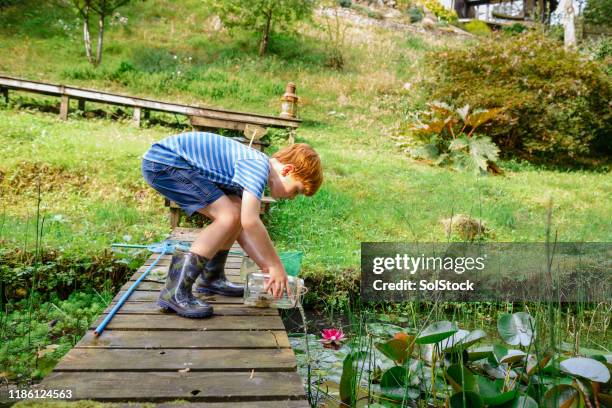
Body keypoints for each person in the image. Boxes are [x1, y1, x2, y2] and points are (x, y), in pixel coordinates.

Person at [141, 131, 323, 318]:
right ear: (287, 171)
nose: (292, 197)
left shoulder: (255, 165)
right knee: (228, 216)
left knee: (234, 211)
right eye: (296, 190)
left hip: (172, 163)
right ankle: (175, 291)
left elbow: (242, 227)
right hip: (165, 162)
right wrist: (276, 265)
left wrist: (266, 266)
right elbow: (251, 221)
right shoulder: (257, 166)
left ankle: (212, 279)